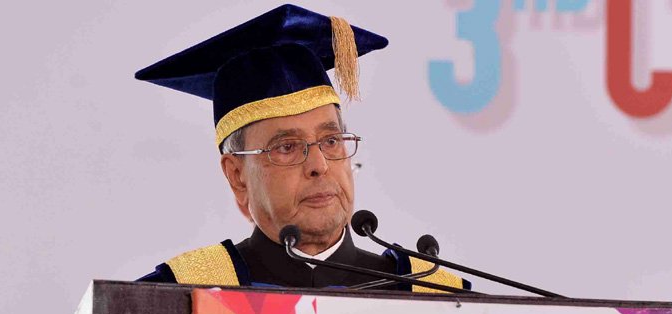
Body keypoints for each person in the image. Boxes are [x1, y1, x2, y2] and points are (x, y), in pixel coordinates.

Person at [136, 4, 467, 292]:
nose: (319, 165)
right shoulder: (181, 296)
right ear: (237, 176)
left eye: (331, 141)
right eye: (287, 147)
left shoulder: (431, 296)